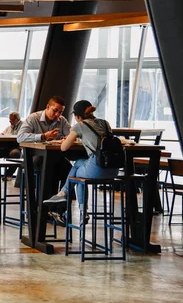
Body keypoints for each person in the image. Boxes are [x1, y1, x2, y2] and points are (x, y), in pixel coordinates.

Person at [43, 100, 121, 218]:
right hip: (114, 168)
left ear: (76, 116)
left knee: (77, 176)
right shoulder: (105, 123)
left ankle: (75, 205)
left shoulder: (80, 125)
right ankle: (63, 195)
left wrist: (71, 135)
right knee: (79, 163)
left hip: (97, 167)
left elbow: (64, 148)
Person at [17, 96, 73, 225]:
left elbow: (71, 134)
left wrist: (68, 138)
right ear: (47, 107)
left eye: (61, 112)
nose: (58, 114)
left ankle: (59, 210)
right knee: (48, 168)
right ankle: (41, 210)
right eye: (55, 110)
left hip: (53, 157)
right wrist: (43, 136)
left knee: (70, 170)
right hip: (32, 157)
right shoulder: (33, 118)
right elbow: (20, 137)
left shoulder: (62, 121)